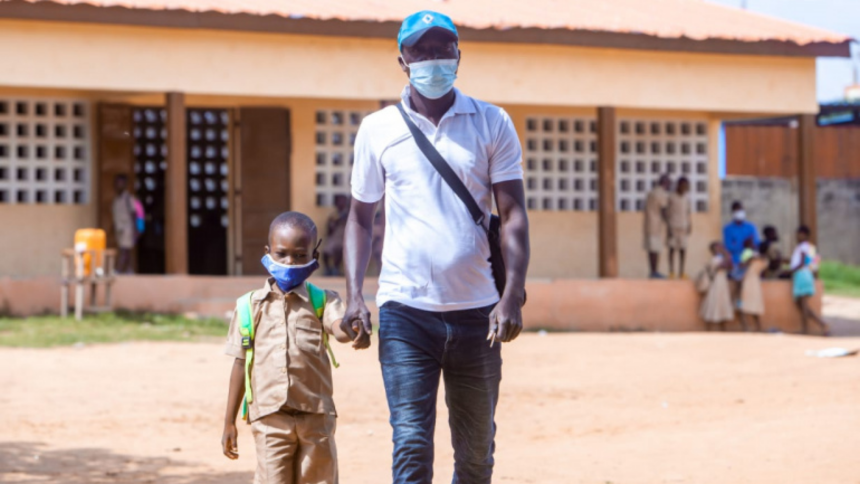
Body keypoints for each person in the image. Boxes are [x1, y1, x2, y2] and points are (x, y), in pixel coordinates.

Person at [343, 11, 530, 484]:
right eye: (420, 51)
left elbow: (513, 216)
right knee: (410, 444)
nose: (432, 60)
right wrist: (354, 295)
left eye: (442, 49)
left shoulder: (492, 122)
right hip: (406, 311)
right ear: (402, 60)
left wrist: (512, 296)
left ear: (459, 56)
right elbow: (360, 219)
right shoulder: (378, 129)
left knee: (475, 453)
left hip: (478, 315)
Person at [220, 211, 353, 483]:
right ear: (268, 252)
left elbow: (339, 329)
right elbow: (239, 363)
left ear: (314, 255)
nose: (290, 262)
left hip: (316, 417)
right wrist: (229, 421)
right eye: (281, 254)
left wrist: (353, 328)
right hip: (269, 418)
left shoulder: (323, 301)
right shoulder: (248, 307)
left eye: (300, 255)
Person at [790, 225, 830, 336]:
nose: (798, 236)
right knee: (801, 304)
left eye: (800, 234)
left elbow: (802, 262)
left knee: (803, 305)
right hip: (805, 275)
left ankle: (813, 326)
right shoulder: (809, 247)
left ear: (805, 235)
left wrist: (791, 270)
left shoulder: (803, 247)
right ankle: (818, 325)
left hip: (802, 275)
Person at [700, 241, 735, 331]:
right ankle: (708, 329)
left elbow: (730, 266)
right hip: (716, 283)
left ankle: (723, 329)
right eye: (717, 247)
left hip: (722, 283)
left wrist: (726, 255)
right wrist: (726, 253)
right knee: (713, 303)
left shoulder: (721, 258)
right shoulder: (714, 259)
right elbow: (722, 266)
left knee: (722, 303)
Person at [644, 174, 672, 278]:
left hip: (648, 223)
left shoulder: (651, 192)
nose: (670, 186)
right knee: (655, 248)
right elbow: (663, 209)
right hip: (656, 224)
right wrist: (669, 224)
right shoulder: (661, 194)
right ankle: (654, 272)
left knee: (651, 249)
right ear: (665, 183)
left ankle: (652, 271)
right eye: (669, 183)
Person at [723, 201, 760, 274]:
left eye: (741, 210)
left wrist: (750, 245)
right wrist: (743, 244)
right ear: (733, 213)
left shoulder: (751, 227)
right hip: (735, 260)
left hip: (750, 258)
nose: (739, 212)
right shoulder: (728, 229)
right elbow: (729, 246)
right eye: (736, 210)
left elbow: (756, 243)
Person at [667, 176, 692, 279]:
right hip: (673, 226)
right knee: (672, 249)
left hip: (684, 227)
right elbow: (667, 212)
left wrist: (690, 224)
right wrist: (668, 227)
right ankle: (671, 272)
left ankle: (681, 272)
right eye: (683, 185)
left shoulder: (686, 198)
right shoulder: (671, 197)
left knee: (683, 249)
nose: (685, 188)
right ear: (678, 185)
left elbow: (688, 212)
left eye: (686, 186)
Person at [737, 237, 765, 331]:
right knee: (742, 306)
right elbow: (741, 265)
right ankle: (746, 329)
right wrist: (749, 260)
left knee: (754, 306)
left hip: (753, 283)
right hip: (747, 282)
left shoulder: (757, 256)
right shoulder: (747, 254)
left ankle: (758, 328)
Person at [111, 174, 137, 274]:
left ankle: (119, 269)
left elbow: (133, 214)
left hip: (127, 228)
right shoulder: (116, 199)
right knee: (126, 250)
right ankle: (129, 269)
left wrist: (135, 230)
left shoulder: (128, 198)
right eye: (117, 183)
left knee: (124, 249)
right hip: (119, 228)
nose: (118, 185)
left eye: (121, 183)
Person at [322, 194, 350, 276]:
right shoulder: (333, 215)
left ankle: (335, 269)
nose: (341, 203)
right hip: (334, 238)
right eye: (339, 201)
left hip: (344, 238)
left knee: (340, 249)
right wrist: (333, 223)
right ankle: (328, 269)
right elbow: (329, 231)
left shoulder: (349, 214)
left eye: (343, 201)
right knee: (325, 252)